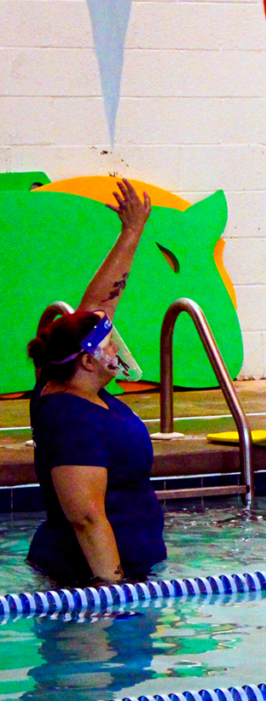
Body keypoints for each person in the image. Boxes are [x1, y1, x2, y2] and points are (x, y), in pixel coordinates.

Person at [26, 179, 166, 586]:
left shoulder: (77, 387)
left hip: (125, 576)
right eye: (108, 344)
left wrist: (132, 233)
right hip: (88, 586)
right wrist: (113, 592)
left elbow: (97, 309)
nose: (116, 346)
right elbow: (86, 519)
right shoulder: (72, 419)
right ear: (88, 361)